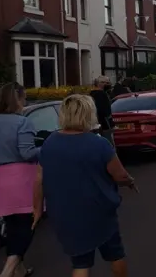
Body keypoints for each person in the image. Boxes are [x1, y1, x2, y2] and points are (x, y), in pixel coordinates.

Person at [33, 94, 137, 277]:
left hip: (65, 213)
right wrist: (129, 182)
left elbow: (39, 179)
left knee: (80, 263)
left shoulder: (50, 143)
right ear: (89, 114)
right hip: (98, 211)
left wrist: (37, 210)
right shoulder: (99, 144)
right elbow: (120, 175)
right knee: (115, 255)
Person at [0, 83, 39, 277]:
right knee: (27, 225)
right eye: (25, 97)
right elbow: (27, 152)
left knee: (12, 225)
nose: (26, 100)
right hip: (19, 180)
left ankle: (19, 270)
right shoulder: (22, 122)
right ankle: (7, 271)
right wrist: (48, 149)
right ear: (18, 99)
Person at [90, 76, 115, 146]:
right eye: (103, 82)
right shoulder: (101, 94)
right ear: (98, 83)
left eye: (108, 82)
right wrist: (110, 124)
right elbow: (104, 112)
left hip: (95, 125)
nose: (106, 84)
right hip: (104, 126)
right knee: (108, 146)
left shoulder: (91, 94)